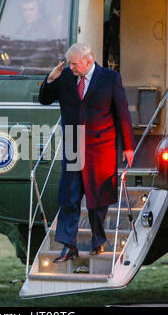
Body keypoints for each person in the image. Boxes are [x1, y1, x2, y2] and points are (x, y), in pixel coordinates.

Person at [38, 43, 135, 262]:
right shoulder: (64, 77)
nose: (70, 67)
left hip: (101, 148)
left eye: (74, 64)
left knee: (97, 198)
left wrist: (128, 146)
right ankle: (68, 246)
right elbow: (44, 99)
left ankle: (98, 241)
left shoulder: (110, 78)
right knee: (69, 197)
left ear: (88, 62)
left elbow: (122, 113)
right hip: (73, 144)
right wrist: (51, 79)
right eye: (69, 63)